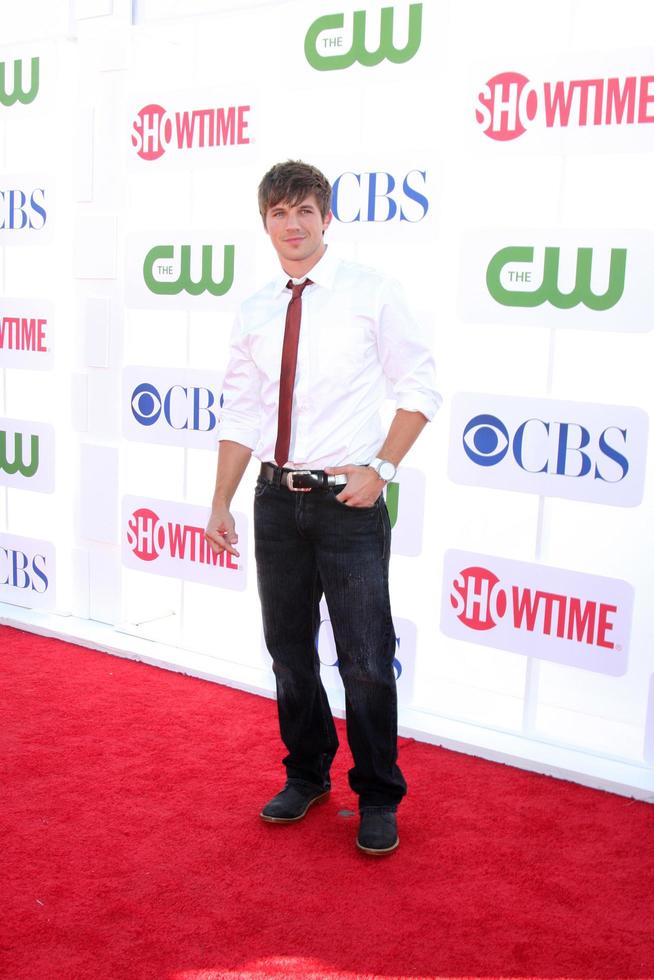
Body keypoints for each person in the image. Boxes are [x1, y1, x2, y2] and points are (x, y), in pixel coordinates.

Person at [205, 160, 441, 855]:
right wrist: (220, 497)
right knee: (287, 653)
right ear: (265, 222)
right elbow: (241, 412)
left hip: (348, 502)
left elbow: (421, 386)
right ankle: (306, 774)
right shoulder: (254, 309)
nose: (294, 224)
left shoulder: (371, 292)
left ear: (326, 217)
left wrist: (383, 468)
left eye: (306, 210)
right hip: (275, 500)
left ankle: (377, 793)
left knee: (366, 656)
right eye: (279, 212)